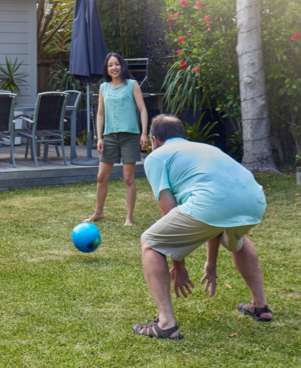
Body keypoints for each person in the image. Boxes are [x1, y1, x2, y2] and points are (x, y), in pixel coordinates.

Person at [132, 114, 272, 339]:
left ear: (154, 140)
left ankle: (166, 324)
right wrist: (210, 264)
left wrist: (178, 263)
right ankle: (260, 306)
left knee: (151, 243)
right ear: (181, 135)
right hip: (254, 201)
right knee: (236, 240)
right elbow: (214, 224)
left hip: (214, 204)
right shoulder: (205, 149)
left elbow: (168, 210)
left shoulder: (156, 157)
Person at [84, 52, 149, 226]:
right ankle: (98, 212)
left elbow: (142, 110)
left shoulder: (132, 85)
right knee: (101, 177)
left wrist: (144, 133)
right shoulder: (104, 88)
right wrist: (99, 137)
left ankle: (129, 217)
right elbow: (100, 113)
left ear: (122, 66)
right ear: (107, 69)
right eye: (110, 65)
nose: (114, 68)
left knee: (128, 178)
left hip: (129, 136)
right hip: (109, 137)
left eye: (117, 64)